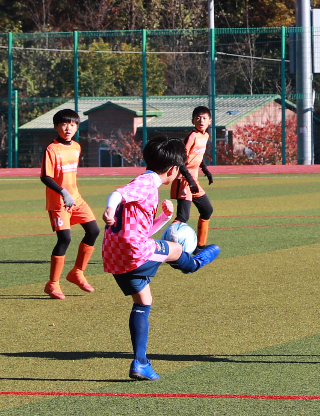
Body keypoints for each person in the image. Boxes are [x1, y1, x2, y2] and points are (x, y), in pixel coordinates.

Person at [102, 136, 220, 381]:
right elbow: (117, 194)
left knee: (144, 301)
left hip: (113, 255)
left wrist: (163, 219)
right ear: (173, 169)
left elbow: (138, 230)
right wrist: (110, 209)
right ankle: (194, 263)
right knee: (176, 250)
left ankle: (141, 363)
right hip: (134, 253)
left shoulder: (145, 183)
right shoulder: (147, 183)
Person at [40, 109, 100, 300]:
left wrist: (71, 194)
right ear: (56, 127)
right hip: (59, 202)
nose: (68, 128)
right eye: (64, 124)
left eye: (73, 124)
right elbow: (45, 176)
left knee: (94, 231)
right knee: (65, 239)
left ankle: (77, 272)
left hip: (76, 199)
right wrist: (63, 192)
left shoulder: (76, 147)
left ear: (77, 127)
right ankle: (53, 284)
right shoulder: (51, 149)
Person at [170, 106, 215, 254]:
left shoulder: (206, 136)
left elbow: (197, 157)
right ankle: (167, 247)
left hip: (193, 181)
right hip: (184, 180)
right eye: (198, 118)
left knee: (207, 210)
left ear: (210, 121)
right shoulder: (192, 136)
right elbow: (180, 159)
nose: (201, 121)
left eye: (204, 118)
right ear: (192, 121)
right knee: (183, 216)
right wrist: (189, 180)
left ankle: (200, 247)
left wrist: (206, 171)